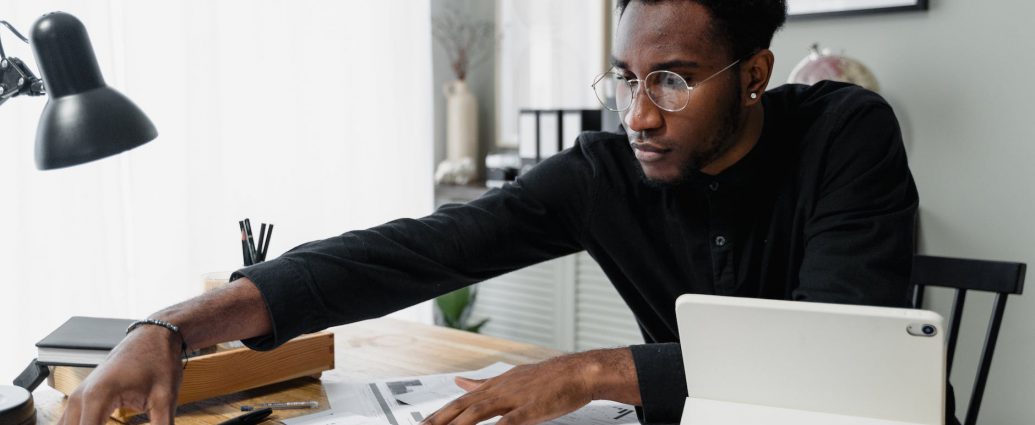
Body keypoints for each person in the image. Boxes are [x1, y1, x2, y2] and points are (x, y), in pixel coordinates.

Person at [57, 1, 936, 424]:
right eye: (626, 79)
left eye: (671, 80)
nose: (637, 115)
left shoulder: (845, 132)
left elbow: (835, 348)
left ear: (753, 77)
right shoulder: (603, 172)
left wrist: (588, 372)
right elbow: (415, 250)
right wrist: (170, 326)